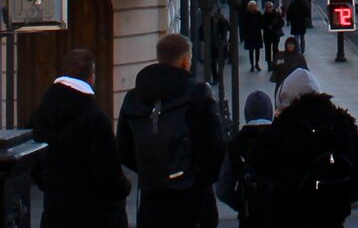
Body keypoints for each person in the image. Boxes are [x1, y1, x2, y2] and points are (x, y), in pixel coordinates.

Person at [116, 33, 225, 228]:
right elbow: (215, 147)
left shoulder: (134, 98)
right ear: (185, 61)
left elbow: (123, 149)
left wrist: (152, 168)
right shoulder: (198, 93)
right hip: (193, 198)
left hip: (152, 199)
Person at [255, 69, 358, 228]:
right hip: (333, 217)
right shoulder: (341, 123)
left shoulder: (283, 129)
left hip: (293, 218)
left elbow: (263, 174)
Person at [31, 48, 131, 228]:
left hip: (56, 211)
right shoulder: (95, 118)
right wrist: (124, 187)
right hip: (97, 214)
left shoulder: (39, 115)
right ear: (91, 77)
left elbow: (34, 163)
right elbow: (107, 171)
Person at [215, 90, 274, 228]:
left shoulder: (235, 144)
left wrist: (241, 205)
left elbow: (222, 189)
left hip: (249, 216)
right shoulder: (281, 139)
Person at [241, 0, 265, 72]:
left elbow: (262, 24)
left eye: (254, 6)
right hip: (249, 36)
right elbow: (244, 25)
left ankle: (257, 63)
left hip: (257, 35)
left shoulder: (258, 14)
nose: (253, 7)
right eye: (252, 6)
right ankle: (252, 64)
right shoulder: (246, 15)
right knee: (251, 51)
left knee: (257, 50)